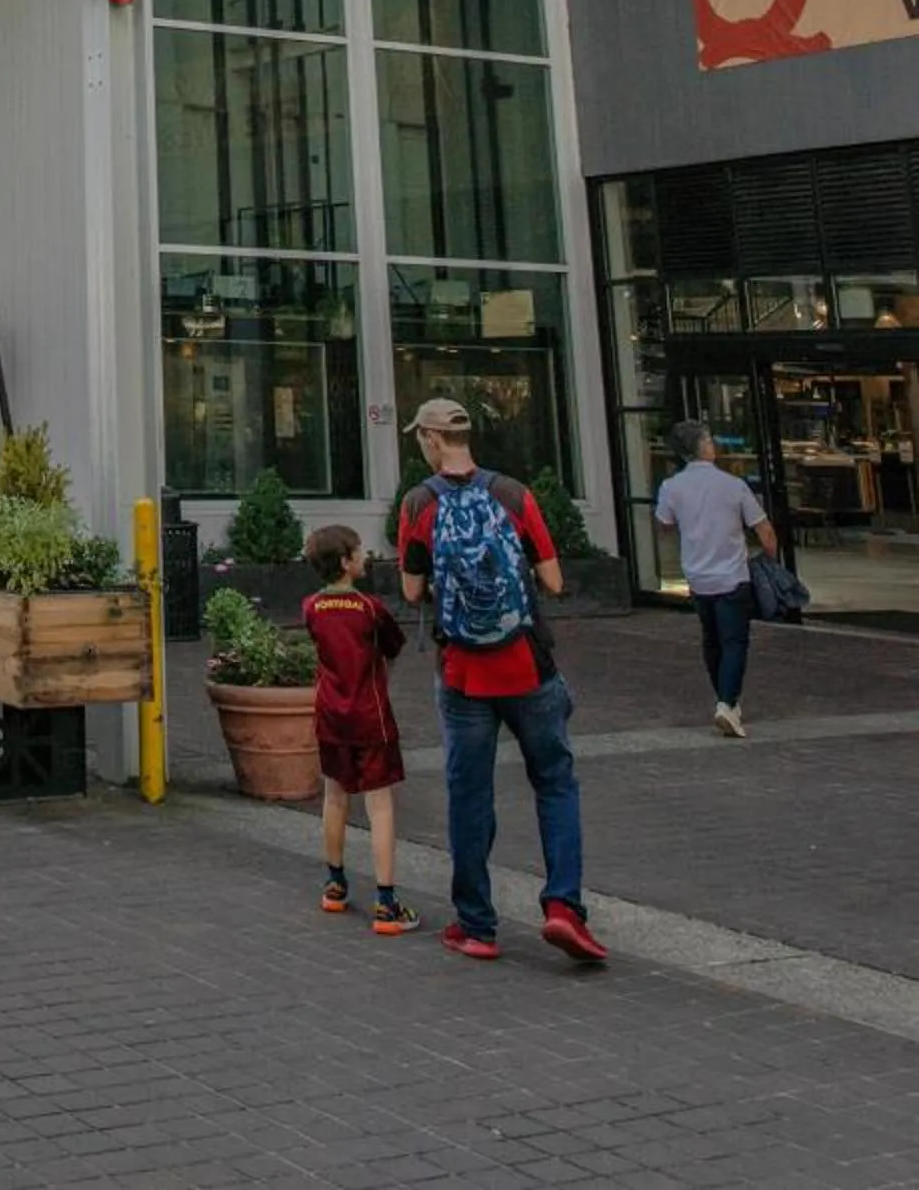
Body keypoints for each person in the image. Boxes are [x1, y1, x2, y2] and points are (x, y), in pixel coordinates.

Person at [398, 396, 607, 968]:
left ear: (432, 440)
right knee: (555, 783)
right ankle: (563, 906)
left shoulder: (419, 503)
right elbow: (555, 580)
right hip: (527, 666)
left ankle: (476, 925)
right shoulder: (513, 494)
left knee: (469, 795)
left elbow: (413, 593)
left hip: (463, 673)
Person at [303, 522, 419, 935]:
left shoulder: (311, 607)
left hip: (330, 715)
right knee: (380, 804)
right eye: (360, 551)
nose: (365, 556)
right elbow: (393, 647)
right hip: (371, 717)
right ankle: (386, 902)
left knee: (335, 796)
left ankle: (335, 883)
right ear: (346, 562)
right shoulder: (371, 609)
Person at [655, 421, 779, 737]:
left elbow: (664, 526)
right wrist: (770, 558)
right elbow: (763, 530)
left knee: (711, 640)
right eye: (709, 440)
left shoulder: (671, 488)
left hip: (697, 575)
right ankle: (727, 702)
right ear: (703, 446)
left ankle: (726, 700)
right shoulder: (733, 485)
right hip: (732, 575)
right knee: (735, 640)